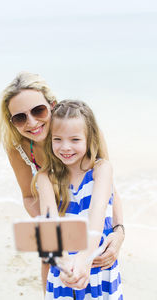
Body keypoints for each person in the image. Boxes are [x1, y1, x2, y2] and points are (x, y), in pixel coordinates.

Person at [0, 71, 124, 294]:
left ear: (51, 105)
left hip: (90, 212)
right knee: (50, 261)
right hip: (53, 205)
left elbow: (107, 185)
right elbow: (28, 195)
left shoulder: (84, 131)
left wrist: (119, 232)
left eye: (38, 110)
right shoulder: (19, 149)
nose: (32, 122)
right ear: (12, 122)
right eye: (20, 117)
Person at [32, 100, 123, 299]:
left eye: (75, 139)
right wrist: (64, 262)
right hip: (63, 268)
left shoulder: (101, 169)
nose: (65, 147)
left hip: (97, 266)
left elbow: (97, 213)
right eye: (58, 139)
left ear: (89, 138)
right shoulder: (46, 177)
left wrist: (85, 257)